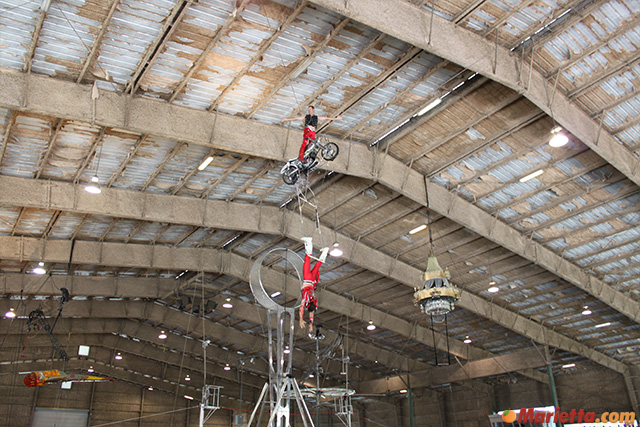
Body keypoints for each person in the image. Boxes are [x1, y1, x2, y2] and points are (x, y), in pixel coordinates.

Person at [299, 237, 329, 334]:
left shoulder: (314, 302)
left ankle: (325, 252)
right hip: (307, 279)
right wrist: (301, 319)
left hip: (312, 281)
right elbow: (301, 308)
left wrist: (311, 325)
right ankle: (309, 242)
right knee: (307, 259)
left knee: (318, 265)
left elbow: (312, 313)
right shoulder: (306, 299)